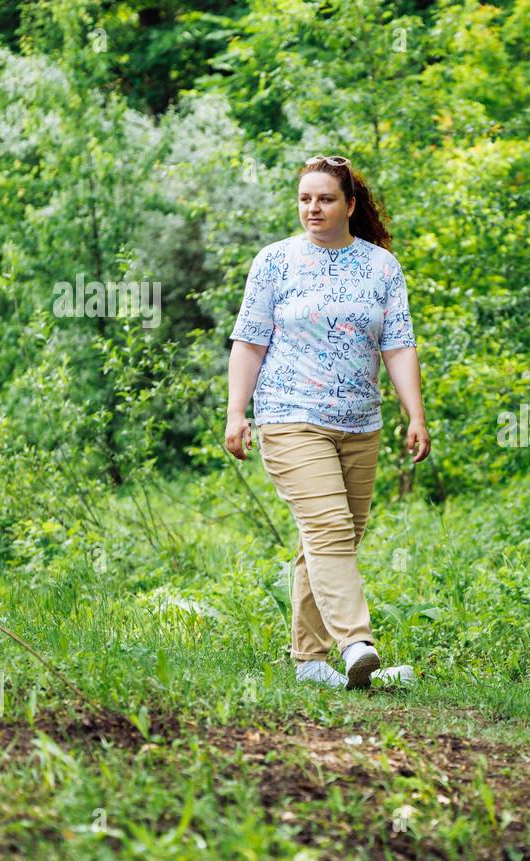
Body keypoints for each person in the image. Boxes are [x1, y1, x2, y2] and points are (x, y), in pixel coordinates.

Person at [223, 154, 430, 689]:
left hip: (360, 423)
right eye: (304, 199)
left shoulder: (382, 267)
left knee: (332, 538)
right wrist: (235, 413)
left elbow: (398, 344)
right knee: (329, 529)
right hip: (290, 415)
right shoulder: (274, 261)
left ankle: (310, 662)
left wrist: (416, 414)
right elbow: (249, 341)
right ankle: (358, 644)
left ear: (350, 205)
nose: (312, 208)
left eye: (325, 199)